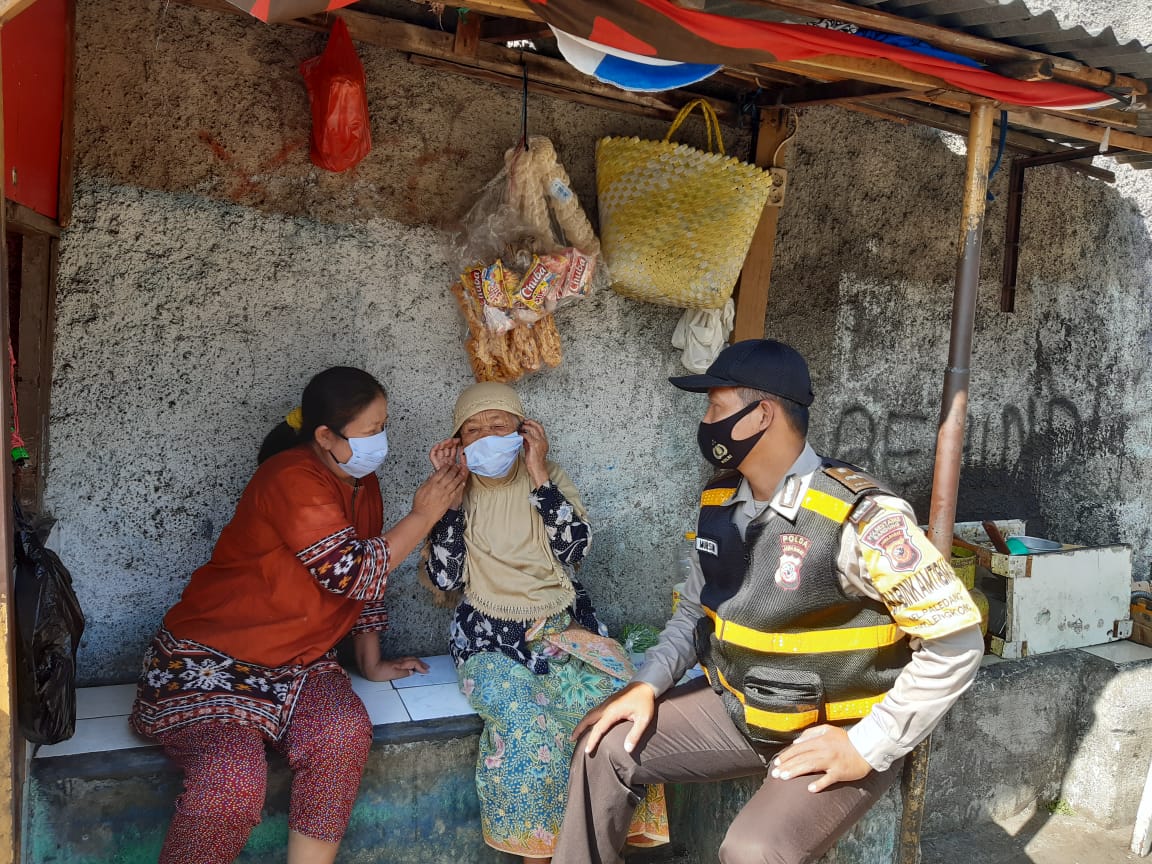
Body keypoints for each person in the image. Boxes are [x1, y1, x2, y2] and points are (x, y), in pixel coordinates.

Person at [553, 339, 986, 864]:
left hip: (838, 728)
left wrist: (868, 744)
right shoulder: (719, 501)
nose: (705, 423)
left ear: (761, 415)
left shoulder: (862, 516)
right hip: (742, 710)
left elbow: (957, 643)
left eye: (716, 407)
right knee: (603, 746)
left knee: (753, 850)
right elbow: (694, 613)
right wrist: (647, 684)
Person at [130, 366, 467, 864]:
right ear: (325, 436)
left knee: (342, 733)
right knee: (231, 779)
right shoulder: (290, 477)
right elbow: (352, 571)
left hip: (300, 664)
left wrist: (370, 660)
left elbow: (371, 569)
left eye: (384, 426)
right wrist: (424, 514)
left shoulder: (363, 482)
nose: (381, 440)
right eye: (371, 430)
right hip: (212, 662)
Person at [422, 382, 667, 864]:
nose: (486, 437)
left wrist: (538, 473)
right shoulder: (452, 492)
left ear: (524, 432)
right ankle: (540, 856)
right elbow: (445, 577)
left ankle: (602, 847)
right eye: (472, 430)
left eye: (498, 426)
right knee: (527, 728)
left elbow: (574, 549)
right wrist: (448, 498)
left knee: (613, 713)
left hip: (561, 627)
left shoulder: (548, 477)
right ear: (457, 443)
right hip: (488, 639)